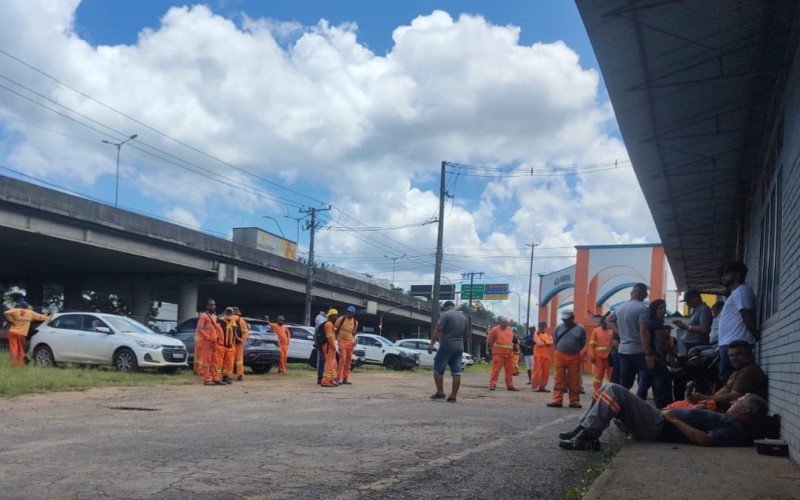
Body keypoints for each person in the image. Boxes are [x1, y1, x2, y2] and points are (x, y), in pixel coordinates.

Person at [558, 382, 768, 451]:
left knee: (614, 389)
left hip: (659, 426)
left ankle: (587, 436)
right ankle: (584, 431)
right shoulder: (731, 422)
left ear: (746, 411)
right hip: (660, 420)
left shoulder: (736, 429)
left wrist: (674, 419)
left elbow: (706, 440)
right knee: (605, 386)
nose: (733, 402)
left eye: (738, 402)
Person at [685, 341, 767, 412]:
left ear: (749, 355)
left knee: (682, 414)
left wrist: (703, 397)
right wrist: (707, 400)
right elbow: (726, 389)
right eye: (731, 355)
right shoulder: (739, 370)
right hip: (722, 410)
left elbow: (733, 397)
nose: (734, 358)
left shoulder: (748, 371)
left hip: (740, 417)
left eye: (738, 354)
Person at [606, 283, 653, 392]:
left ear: (632, 293)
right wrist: (648, 354)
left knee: (625, 382)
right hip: (639, 350)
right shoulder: (643, 308)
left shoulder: (621, 307)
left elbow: (608, 320)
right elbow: (644, 332)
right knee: (654, 373)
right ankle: (649, 401)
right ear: (644, 294)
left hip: (624, 351)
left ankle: (620, 404)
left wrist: (620, 332)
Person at [717, 261, 759, 383]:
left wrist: (756, 335)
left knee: (732, 381)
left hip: (737, 344)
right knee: (728, 380)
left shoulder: (742, 291)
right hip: (729, 343)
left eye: (727, 272)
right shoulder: (735, 293)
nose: (723, 276)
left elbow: (747, 315)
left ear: (738, 274)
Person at [635, 299, 672, 408]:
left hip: (643, 356)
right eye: (660, 308)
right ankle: (661, 408)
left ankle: (636, 408)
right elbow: (663, 342)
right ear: (654, 310)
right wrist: (673, 355)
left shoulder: (646, 321)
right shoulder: (656, 323)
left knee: (644, 383)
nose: (663, 311)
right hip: (652, 357)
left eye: (664, 308)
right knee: (660, 382)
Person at [429, 301, 468, 402]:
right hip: (459, 347)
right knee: (456, 372)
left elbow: (438, 329)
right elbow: (466, 334)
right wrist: (461, 344)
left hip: (446, 345)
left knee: (438, 369)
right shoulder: (463, 317)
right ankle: (453, 396)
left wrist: (432, 344)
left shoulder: (445, 315)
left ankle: (440, 393)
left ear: (446, 307)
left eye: (443, 308)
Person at [547, 310, 586, 408]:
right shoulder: (559, 328)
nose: (565, 322)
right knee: (558, 378)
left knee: (574, 379)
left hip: (574, 356)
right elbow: (555, 341)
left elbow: (583, 342)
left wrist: (574, 349)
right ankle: (557, 400)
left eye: (567, 320)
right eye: (564, 320)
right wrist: (560, 349)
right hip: (560, 355)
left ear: (573, 318)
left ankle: (574, 401)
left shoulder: (580, 329)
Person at [3, 300, 51, 366]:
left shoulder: (16, 310)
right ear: (26, 306)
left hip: (13, 332)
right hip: (22, 334)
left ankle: (14, 362)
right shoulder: (30, 313)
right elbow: (40, 317)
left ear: (20, 306)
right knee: (20, 348)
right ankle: (20, 363)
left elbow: (6, 312)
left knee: (13, 347)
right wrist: (49, 317)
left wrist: (12, 321)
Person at [674, 290, 713, 355]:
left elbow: (704, 329)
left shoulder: (704, 309)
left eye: (688, 301)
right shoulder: (697, 309)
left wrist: (686, 327)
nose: (687, 304)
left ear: (695, 298)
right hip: (691, 344)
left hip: (696, 345)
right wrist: (684, 326)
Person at [195, 299, 223, 386]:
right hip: (207, 342)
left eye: (214, 305)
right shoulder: (203, 316)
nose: (212, 306)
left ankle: (216, 378)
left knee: (215, 361)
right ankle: (207, 379)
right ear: (207, 306)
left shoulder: (214, 316)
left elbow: (214, 329)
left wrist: (216, 338)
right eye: (211, 305)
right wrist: (208, 337)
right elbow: (199, 329)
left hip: (214, 341)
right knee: (207, 361)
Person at [487, 317, 518, 391]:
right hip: (498, 353)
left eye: (507, 322)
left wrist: (516, 345)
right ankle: (492, 385)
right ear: (500, 322)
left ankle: (510, 386)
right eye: (504, 322)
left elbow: (513, 339)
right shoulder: (495, 330)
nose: (506, 324)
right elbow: (490, 341)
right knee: (496, 370)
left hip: (509, 354)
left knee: (509, 370)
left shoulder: (510, 329)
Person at [588, 316, 614, 398]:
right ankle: (596, 393)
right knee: (598, 376)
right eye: (604, 322)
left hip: (610, 357)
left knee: (611, 376)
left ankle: (611, 394)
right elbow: (592, 344)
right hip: (598, 357)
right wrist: (592, 356)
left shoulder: (612, 331)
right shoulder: (596, 331)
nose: (605, 324)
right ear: (602, 322)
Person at [335, 306, 359, 385]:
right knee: (342, 360)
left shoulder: (355, 322)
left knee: (348, 362)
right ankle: (339, 378)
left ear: (353, 313)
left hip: (350, 343)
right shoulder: (341, 319)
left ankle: (345, 378)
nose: (349, 313)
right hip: (341, 341)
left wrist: (354, 341)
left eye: (351, 312)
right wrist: (336, 339)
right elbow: (335, 330)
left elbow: (353, 334)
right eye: (348, 311)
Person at [216, 307, 237, 384]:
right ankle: (217, 378)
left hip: (230, 346)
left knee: (229, 363)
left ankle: (227, 377)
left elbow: (235, 334)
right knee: (219, 363)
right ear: (225, 312)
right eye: (227, 312)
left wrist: (234, 342)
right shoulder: (220, 321)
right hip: (221, 346)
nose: (229, 313)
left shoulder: (233, 322)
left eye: (230, 312)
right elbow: (216, 332)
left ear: (232, 313)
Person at [320, 308, 339, 387]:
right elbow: (329, 337)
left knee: (333, 362)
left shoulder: (330, 324)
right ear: (331, 316)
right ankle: (325, 381)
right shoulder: (329, 324)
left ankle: (331, 379)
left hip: (330, 346)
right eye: (335, 316)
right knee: (329, 363)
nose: (336, 318)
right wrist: (333, 346)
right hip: (328, 346)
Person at [532, 321, 553, 392]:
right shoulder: (536, 333)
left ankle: (542, 387)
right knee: (536, 372)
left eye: (543, 326)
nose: (541, 327)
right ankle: (535, 387)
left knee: (546, 372)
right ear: (538, 327)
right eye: (540, 326)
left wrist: (544, 341)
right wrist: (547, 342)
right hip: (538, 355)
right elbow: (538, 343)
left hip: (546, 356)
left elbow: (552, 342)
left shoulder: (548, 334)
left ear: (545, 327)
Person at [232, 307, 249, 381]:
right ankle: (240, 375)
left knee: (229, 359)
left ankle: (228, 375)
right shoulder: (242, 321)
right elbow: (245, 332)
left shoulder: (228, 319)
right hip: (239, 343)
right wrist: (242, 340)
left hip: (230, 343)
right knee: (239, 360)